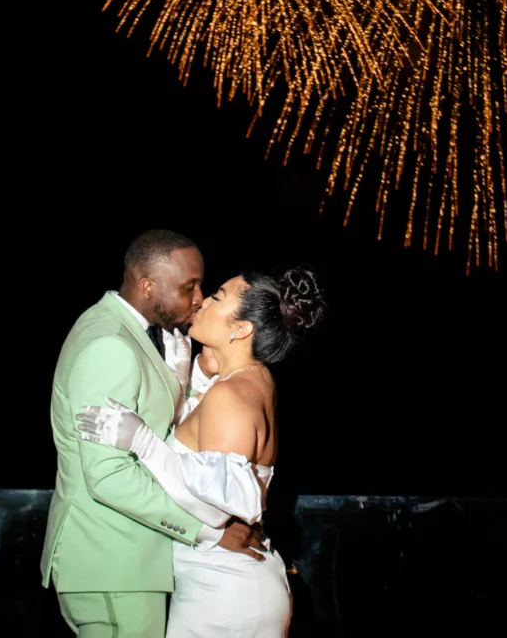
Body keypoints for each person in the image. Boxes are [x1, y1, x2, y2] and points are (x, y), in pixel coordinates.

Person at [77, 265, 326, 638]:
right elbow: (204, 455)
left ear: (240, 329)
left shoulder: (232, 395)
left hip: (222, 595)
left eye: (218, 297)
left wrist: (143, 442)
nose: (204, 300)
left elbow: (212, 509)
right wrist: (185, 382)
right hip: (225, 588)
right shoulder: (249, 381)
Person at [41, 229, 262, 638]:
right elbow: (108, 476)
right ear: (147, 286)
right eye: (189, 286)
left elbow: (155, 435)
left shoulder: (121, 332)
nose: (198, 298)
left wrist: (184, 386)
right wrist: (207, 532)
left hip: (127, 563)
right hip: (112, 561)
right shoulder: (110, 344)